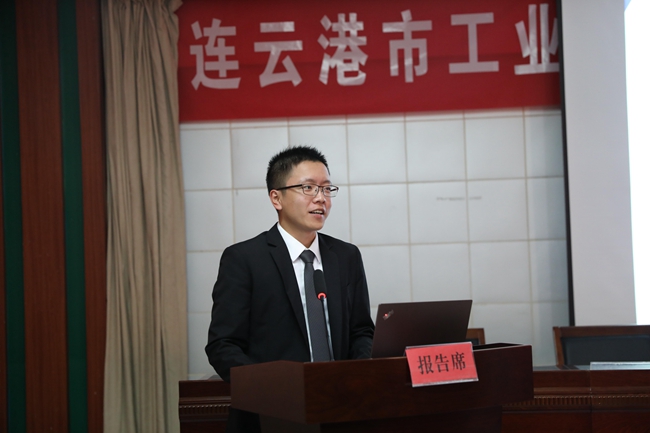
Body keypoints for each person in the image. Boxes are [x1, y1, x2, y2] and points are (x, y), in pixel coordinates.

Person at [205, 145, 375, 432]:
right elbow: (223, 345)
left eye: (326, 188)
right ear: (276, 198)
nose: (320, 198)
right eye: (308, 188)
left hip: (341, 410)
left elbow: (361, 331)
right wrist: (270, 390)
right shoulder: (244, 259)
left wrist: (357, 377)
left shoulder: (346, 256)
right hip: (271, 415)